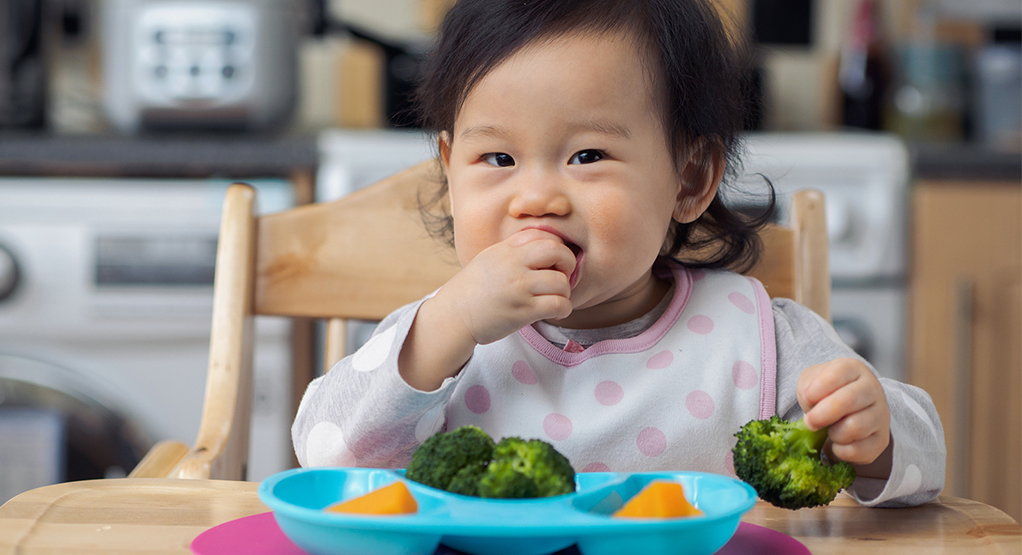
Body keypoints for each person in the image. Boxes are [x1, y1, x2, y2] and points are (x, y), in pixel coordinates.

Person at [293, 0, 945, 508]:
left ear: (689, 179)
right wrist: (443, 327)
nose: (536, 198)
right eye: (498, 158)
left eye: (587, 156)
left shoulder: (756, 335)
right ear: (448, 167)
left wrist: (876, 435)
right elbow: (325, 452)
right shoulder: (440, 339)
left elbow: (928, 462)